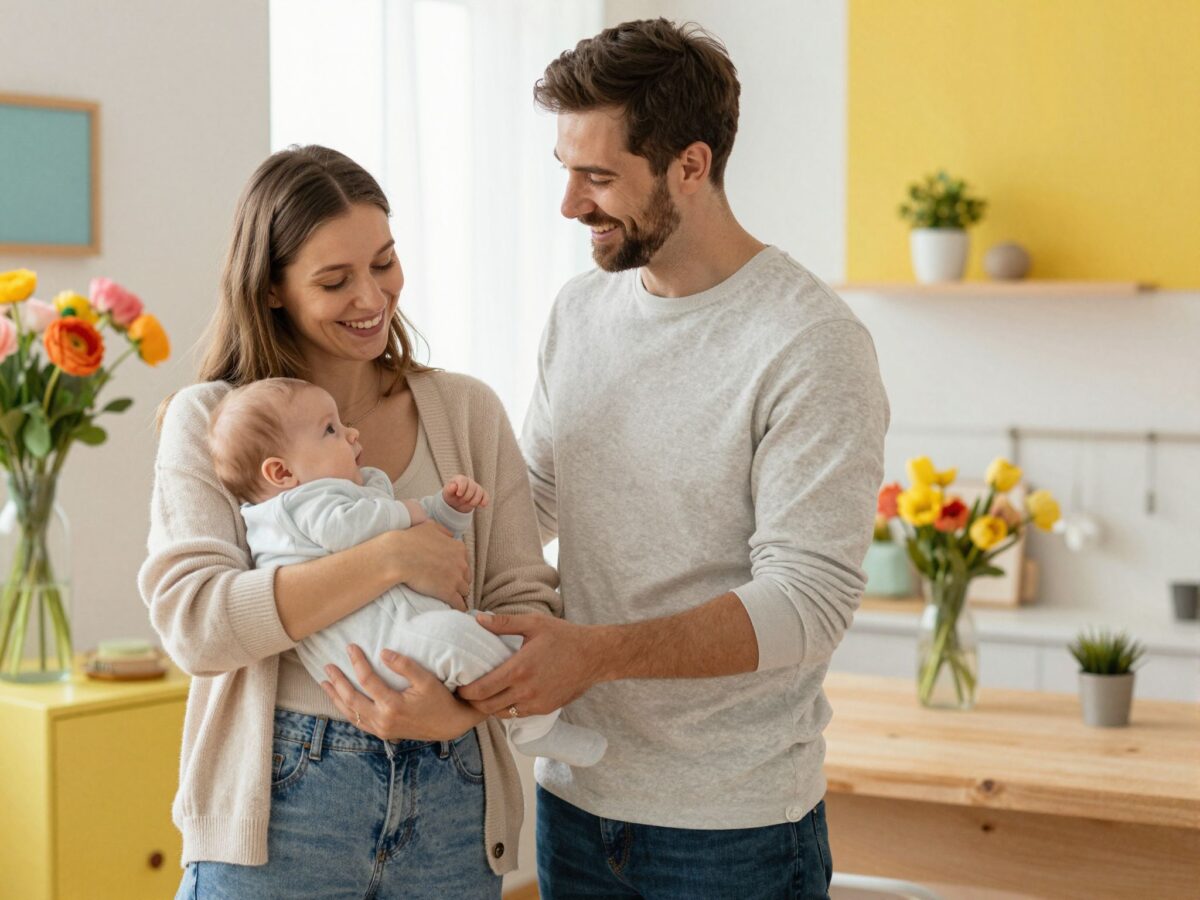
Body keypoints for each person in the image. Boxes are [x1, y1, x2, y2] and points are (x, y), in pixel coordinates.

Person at [456, 19, 890, 899]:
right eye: (566, 171)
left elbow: (806, 605)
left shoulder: (810, 343)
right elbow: (533, 499)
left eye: (599, 177)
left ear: (690, 166)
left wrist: (594, 654)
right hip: (575, 801)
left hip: (732, 831)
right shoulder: (580, 313)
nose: (571, 204)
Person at [139, 145, 559, 898]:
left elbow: (526, 603)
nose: (373, 297)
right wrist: (390, 558)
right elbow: (196, 624)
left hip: (453, 797)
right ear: (271, 291)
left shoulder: (465, 411)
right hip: (280, 804)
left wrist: (456, 711)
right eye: (334, 281)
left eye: (385, 264)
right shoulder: (210, 422)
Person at [207, 376, 606, 767]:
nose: (350, 432)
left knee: (488, 636)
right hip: (381, 655)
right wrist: (413, 516)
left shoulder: (351, 492)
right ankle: (533, 729)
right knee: (457, 638)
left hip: (402, 638)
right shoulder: (298, 505)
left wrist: (447, 510)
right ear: (281, 473)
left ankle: (530, 713)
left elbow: (420, 536)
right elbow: (351, 529)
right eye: (330, 430)